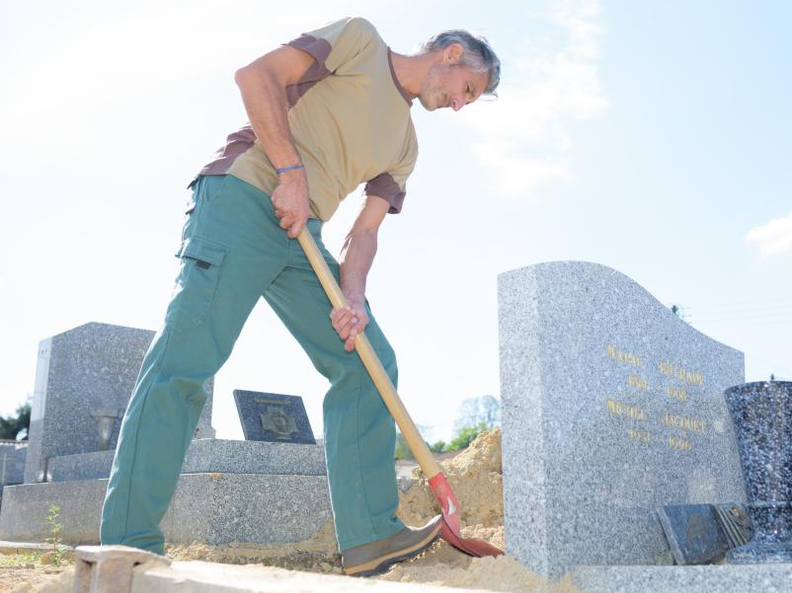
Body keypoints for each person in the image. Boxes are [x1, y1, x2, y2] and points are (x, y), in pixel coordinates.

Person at [99, 16, 501, 577]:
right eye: (468, 91)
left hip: (301, 237)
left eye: (470, 103)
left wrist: (353, 296)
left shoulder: (405, 146)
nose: (461, 106)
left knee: (367, 361)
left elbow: (364, 232)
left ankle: (371, 536)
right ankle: (126, 542)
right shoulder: (360, 41)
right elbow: (255, 76)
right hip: (246, 194)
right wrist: (290, 171)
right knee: (186, 363)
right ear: (451, 54)